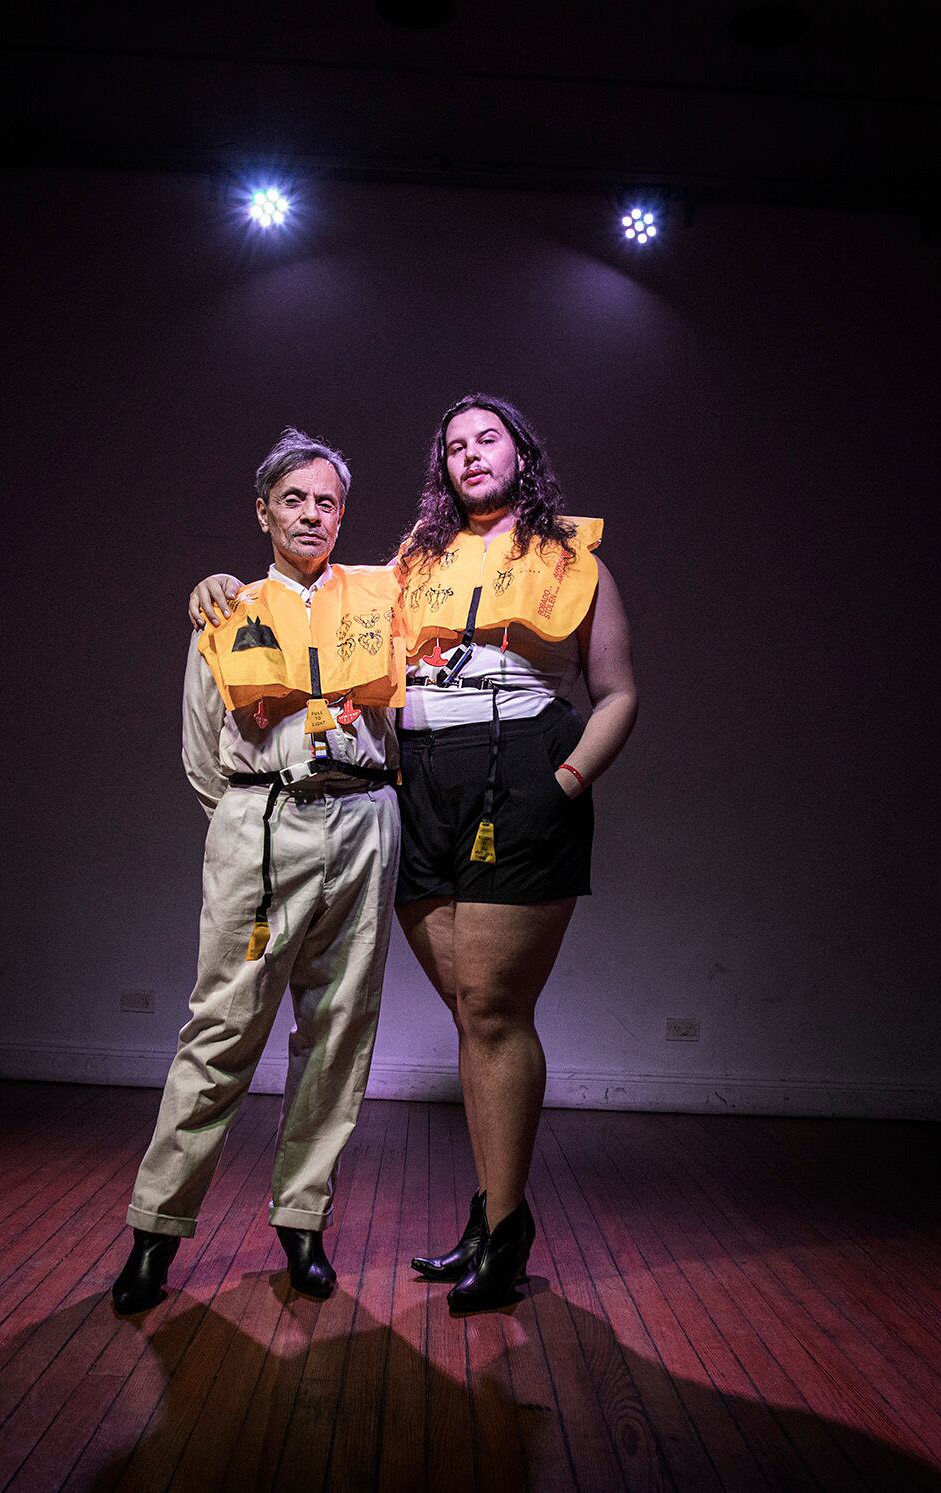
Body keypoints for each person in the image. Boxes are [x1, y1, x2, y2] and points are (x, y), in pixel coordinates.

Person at [186, 395, 638, 1313]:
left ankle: (504, 1232)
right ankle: (493, 1212)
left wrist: (562, 782)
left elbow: (618, 690)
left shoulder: (574, 562)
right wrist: (222, 584)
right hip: (423, 784)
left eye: (489, 438)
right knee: (473, 1010)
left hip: (521, 774)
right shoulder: (411, 562)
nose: (471, 454)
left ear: (521, 454)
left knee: (495, 1008)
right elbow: (313, 598)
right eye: (455, 444)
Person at [111, 428, 406, 1315]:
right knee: (222, 1028)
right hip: (264, 825)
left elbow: (398, 724)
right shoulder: (227, 610)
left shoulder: (377, 602)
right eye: (294, 499)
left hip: (363, 821)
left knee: (339, 1030)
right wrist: (256, 818)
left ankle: (303, 1222)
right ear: (263, 512)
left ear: (342, 515)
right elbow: (202, 756)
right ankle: (156, 1230)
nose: (311, 513)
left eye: (327, 501)